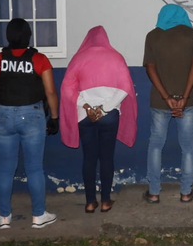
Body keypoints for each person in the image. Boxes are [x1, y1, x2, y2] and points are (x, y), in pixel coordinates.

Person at [0, 18, 60, 229]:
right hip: (32, 116)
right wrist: (54, 117)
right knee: (34, 168)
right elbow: (50, 92)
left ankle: (4, 217)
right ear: (28, 36)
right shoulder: (39, 59)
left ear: (8, 36)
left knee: (5, 169)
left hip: (2, 115)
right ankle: (38, 216)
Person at [59, 26, 137, 213]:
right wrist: (104, 109)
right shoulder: (116, 57)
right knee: (106, 158)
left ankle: (90, 202)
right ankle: (106, 201)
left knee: (89, 157)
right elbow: (125, 88)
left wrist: (87, 107)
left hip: (84, 116)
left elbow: (67, 89)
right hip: (109, 116)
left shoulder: (79, 58)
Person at [142, 4, 193, 204]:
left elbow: (150, 68)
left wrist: (166, 97)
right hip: (188, 101)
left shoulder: (153, 36)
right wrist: (183, 97)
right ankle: (186, 192)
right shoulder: (192, 35)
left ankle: (153, 193)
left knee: (156, 145)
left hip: (160, 101)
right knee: (188, 146)